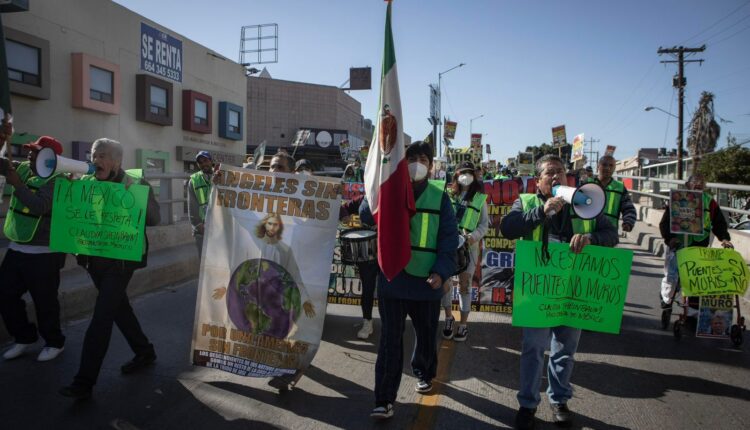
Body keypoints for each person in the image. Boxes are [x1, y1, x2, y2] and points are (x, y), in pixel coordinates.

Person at [500, 154, 618, 429]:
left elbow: (611, 235)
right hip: (539, 291)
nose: (556, 177)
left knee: (565, 349)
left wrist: (592, 238)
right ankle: (528, 404)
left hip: (573, 288)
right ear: (538, 182)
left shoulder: (585, 203)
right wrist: (541, 212)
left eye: (561, 173)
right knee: (534, 347)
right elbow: (508, 228)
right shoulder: (527, 202)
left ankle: (559, 400)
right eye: (550, 173)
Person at [360, 141, 458, 419]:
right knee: (390, 341)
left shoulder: (440, 196)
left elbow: (448, 238)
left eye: (423, 158)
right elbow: (366, 216)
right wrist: (377, 186)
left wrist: (441, 271)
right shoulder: (389, 187)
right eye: (412, 157)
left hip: (428, 281)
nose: (418, 163)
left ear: (431, 164)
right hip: (394, 277)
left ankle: (425, 372)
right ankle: (384, 398)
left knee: (426, 335)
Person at [60, 138, 161, 400]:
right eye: (94, 155)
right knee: (119, 308)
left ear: (117, 161)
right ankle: (144, 351)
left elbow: (154, 219)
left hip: (121, 262)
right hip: (94, 260)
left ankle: (84, 382)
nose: (96, 161)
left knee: (102, 317)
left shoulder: (135, 183)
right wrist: (68, 193)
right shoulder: (86, 184)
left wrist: (137, 197)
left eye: (103, 156)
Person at [0, 134, 67, 362]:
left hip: (44, 253)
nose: (29, 154)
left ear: (50, 157)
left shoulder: (58, 180)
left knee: (45, 302)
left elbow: (40, 206)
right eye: (30, 150)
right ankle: (24, 337)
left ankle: (54, 342)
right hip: (17, 247)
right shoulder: (23, 169)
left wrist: (17, 186)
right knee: (5, 294)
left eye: (36, 151)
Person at [659, 173, 733, 313]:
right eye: (695, 182)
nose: (698, 184)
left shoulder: (709, 202)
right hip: (678, 244)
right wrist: (669, 239)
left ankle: (693, 311)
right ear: (688, 185)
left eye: (702, 182)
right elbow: (664, 223)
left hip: (699, 245)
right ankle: (666, 299)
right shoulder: (676, 199)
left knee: (697, 278)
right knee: (672, 276)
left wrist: (724, 238)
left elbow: (719, 223)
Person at [441, 161, 488, 342]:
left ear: (474, 175)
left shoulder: (479, 198)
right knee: (445, 283)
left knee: (464, 285)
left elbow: (484, 224)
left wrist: (473, 236)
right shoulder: (448, 195)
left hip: (469, 248)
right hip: (448, 246)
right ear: (456, 175)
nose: (465, 176)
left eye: (469, 172)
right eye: (462, 172)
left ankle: (463, 324)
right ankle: (448, 318)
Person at [339, 196, 379, 339]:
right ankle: (367, 322)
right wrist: (345, 217)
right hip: (367, 252)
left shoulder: (392, 194)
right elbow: (343, 207)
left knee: (388, 290)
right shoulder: (365, 197)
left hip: (387, 250)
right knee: (367, 288)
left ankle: (392, 323)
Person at [589, 155, 637, 232]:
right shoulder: (588, 184)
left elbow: (628, 208)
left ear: (614, 168)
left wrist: (628, 222)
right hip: (588, 232)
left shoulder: (620, 187)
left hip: (609, 233)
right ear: (598, 166)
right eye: (604, 165)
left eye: (611, 165)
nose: (608, 168)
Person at [188, 150, 213, 258]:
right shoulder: (194, 180)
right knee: (203, 262)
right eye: (200, 162)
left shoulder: (221, 176)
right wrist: (198, 225)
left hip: (218, 227)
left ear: (211, 161)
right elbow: (191, 205)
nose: (203, 164)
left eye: (205, 160)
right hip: (202, 229)